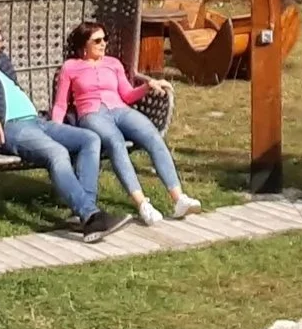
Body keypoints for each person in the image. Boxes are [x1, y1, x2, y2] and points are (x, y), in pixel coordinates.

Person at [0, 7, 125, 239]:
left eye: (0, 34)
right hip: (11, 128)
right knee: (57, 152)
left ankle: (84, 211)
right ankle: (90, 216)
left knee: (90, 139)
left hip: (37, 122)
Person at [49, 20, 200, 225]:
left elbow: (127, 94)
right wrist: (56, 129)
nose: (104, 44)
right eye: (98, 41)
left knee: (152, 136)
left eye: (105, 39)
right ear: (84, 45)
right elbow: (60, 104)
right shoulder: (70, 68)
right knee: (115, 141)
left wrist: (147, 86)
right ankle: (142, 204)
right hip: (92, 114)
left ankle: (178, 198)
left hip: (120, 109)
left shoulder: (113, 63)